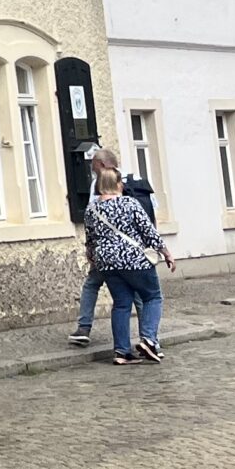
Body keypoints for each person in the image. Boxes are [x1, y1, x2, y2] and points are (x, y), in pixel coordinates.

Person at [68, 147, 160, 347]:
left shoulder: (99, 184)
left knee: (96, 287)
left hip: (107, 254)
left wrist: (91, 251)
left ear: (101, 165)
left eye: (94, 167)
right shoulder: (138, 180)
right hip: (137, 253)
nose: (93, 171)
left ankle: (84, 328)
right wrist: (157, 249)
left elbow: (93, 217)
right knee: (143, 296)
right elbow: (152, 215)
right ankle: (150, 339)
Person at [85, 164, 176, 365]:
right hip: (134, 259)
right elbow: (148, 232)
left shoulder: (91, 209)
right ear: (118, 184)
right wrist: (166, 253)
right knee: (153, 297)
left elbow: (90, 238)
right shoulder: (130, 203)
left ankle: (122, 352)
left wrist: (92, 257)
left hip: (107, 263)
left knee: (121, 304)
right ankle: (149, 339)